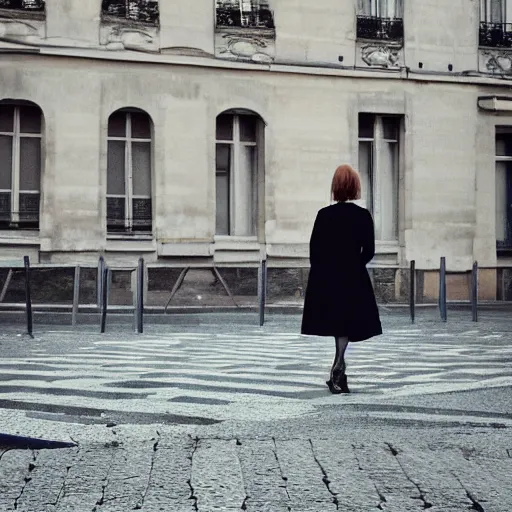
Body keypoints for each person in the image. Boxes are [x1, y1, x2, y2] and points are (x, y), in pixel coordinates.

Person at [301, 164, 382, 394]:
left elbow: (314, 251)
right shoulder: (363, 216)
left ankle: (339, 368)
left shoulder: (323, 215)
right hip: (352, 276)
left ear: (335, 188)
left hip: (327, 277)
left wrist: (323, 272)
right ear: (355, 187)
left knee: (338, 323)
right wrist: (354, 265)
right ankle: (339, 366)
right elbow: (369, 250)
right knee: (346, 323)